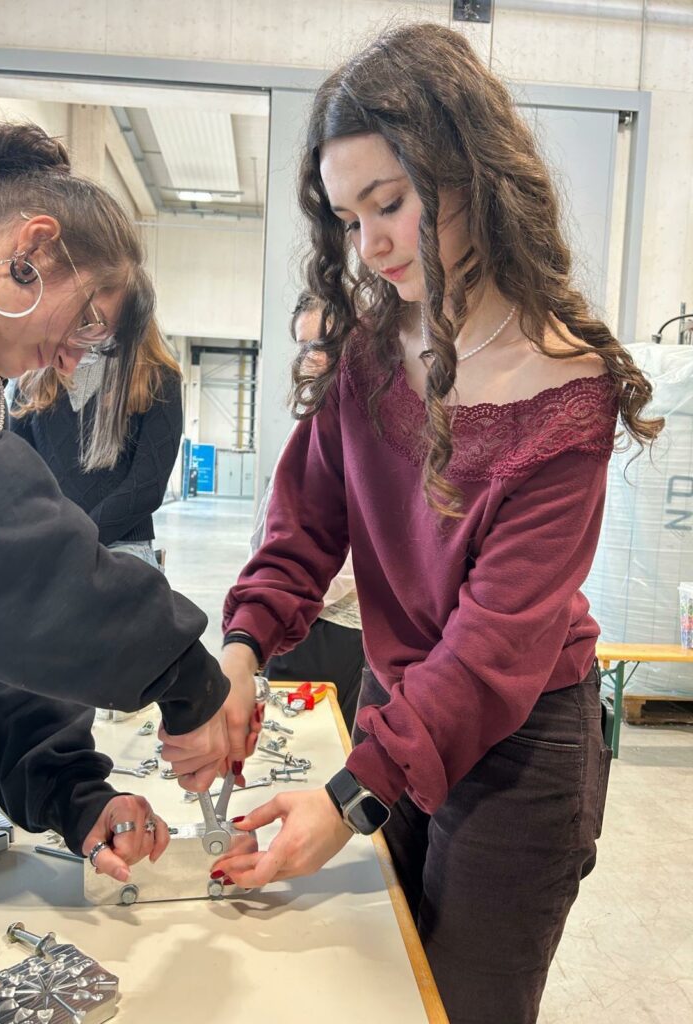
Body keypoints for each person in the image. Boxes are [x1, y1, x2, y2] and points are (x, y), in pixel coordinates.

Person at [199, 24, 663, 1024]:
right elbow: (302, 530)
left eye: (390, 203)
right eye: (348, 216)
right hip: (398, 706)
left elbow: (492, 650)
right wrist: (237, 655)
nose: (369, 245)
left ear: (469, 175)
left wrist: (351, 797)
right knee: (373, 983)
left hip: (519, 745)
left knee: (461, 1005)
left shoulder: (566, 390)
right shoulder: (370, 352)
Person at [0, 122, 256, 884]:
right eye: (83, 322)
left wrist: (72, 789)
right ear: (33, 249)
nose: (74, 357)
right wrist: (180, 665)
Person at [253, 292, 364, 732]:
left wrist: (292, 601)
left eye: (322, 344)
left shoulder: (360, 424)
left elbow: (353, 545)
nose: (309, 358)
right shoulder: (317, 415)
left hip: (325, 619)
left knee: (307, 741)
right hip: (299, 609)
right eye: (303, 346)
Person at [11, 318, 183, 571]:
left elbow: (147, 487)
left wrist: (76, 540)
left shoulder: (157, 376)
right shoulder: (33, 377)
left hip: (121, 546)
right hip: (48, 539)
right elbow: (19, 471)